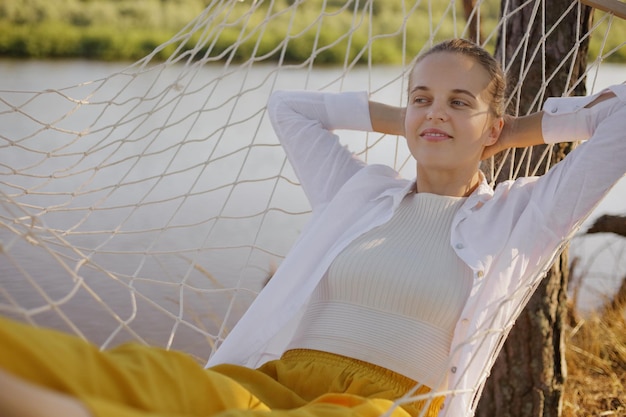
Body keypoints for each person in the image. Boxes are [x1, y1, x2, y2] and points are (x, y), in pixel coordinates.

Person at [1, 38, 624, 417]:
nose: (436, 111)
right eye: (421, 97)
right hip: (276, 380)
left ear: (493, 127)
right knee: (148, 376)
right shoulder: (357, 192)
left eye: (460, 101)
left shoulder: (521, 218)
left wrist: (515, 130)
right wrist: (421, 121)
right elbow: (288, 108)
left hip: (386, 407)